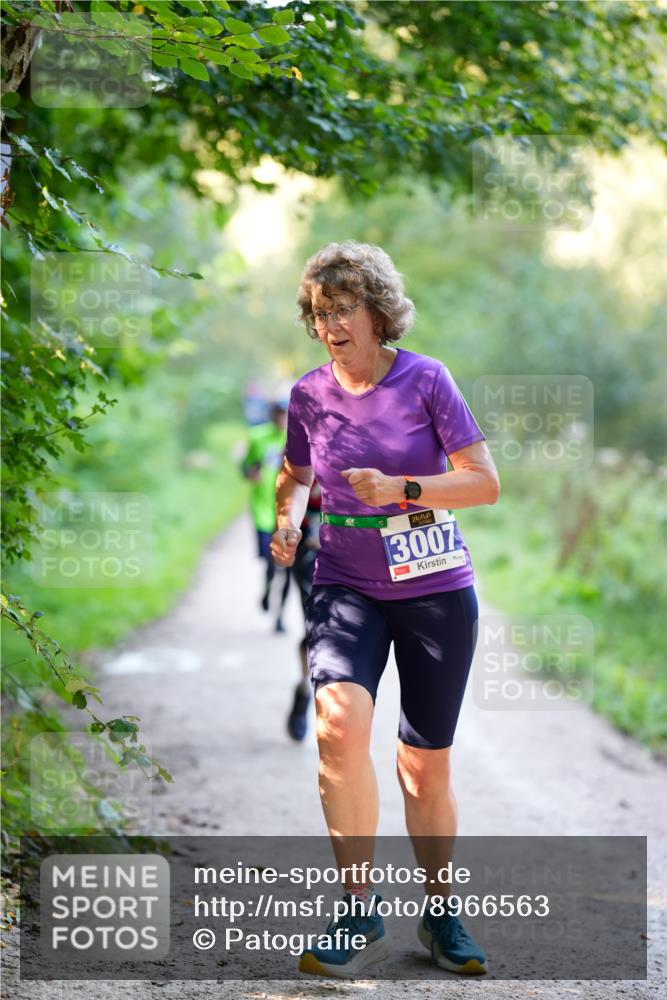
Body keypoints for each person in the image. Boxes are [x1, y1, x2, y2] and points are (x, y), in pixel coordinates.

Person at [270, 241, 500, 980]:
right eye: (319, 313)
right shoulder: (309, 394)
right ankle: (358, 907)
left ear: (377, 313)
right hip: (346, 583)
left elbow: (483, 483)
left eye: (344, 309)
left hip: (434, 587)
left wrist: (403, 488)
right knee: (338, 730)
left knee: (422, 767)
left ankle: (440, 911)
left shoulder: (426, 379)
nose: (330, 325)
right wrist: (287, 520)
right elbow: (294, 474)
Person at [241, 400, 291, 633]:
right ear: (272, 416)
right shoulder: (257, 436)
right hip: (263, 509)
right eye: (278, 415)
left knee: (287, 565)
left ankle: (279, 617)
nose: (282, 419)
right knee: (271, 563)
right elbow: (245, 467)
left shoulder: (298, 438)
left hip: (289, 511)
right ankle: (268, 588)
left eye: (285, 415)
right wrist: (251, 473)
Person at [286, 479, 321, 741]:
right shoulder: (306, 457)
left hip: (354, 556)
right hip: (310, 554)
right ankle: (304, 689)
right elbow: (289, 489)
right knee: (315, 629)